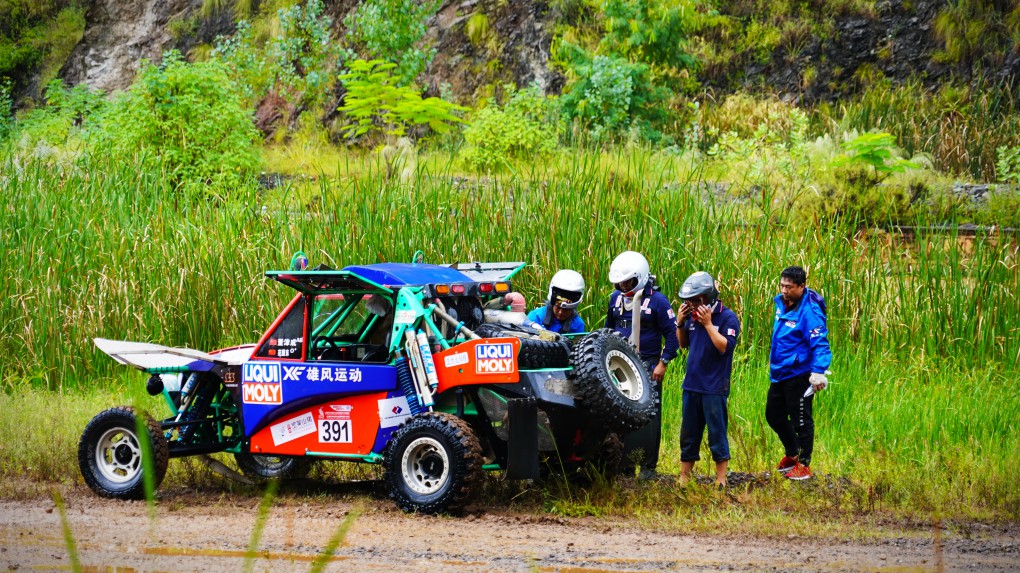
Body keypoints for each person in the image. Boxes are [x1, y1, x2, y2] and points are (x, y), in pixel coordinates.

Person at [605, 251, 679, 480]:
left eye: (628, 281)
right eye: (620, 282)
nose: (623, 286)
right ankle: (624, 465)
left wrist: (663, 362)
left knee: (649, 416)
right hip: (619, 365)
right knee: (620, 414)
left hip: (647, 365)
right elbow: (608, 329)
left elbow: (673, 335)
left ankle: (648, 467)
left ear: (640, 277)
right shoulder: (615, 299)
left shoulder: (658, 301)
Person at [766, 266, 831, 481]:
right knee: (773, 416)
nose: (784, 290)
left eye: (789, 287)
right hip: (780, 372)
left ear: (801, 287)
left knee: (801, 420)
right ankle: (792, 453)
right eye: (782, 285)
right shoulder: (782, 303)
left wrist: (818, 372)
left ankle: (804, 464)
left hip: (800, 374)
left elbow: (820, 344)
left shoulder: (809, 311)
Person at [675, 272, 741, 487]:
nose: (692, 304)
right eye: (689, 301)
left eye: (697, 300)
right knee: (689, 433)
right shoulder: (692, 318)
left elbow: (725, 347)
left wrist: (708, 324)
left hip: (714, 386)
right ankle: (685, 476)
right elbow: (684, 344)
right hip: (692, 384)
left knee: (716, 432)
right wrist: (679, 323)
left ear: (708, 297)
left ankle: (721, 479)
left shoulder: (727, 317)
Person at [527, 269, 586, 334]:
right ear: (552, 303)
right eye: (558, 307)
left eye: (566, 310)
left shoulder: (578, 324)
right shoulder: (536, 317)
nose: (561, 312)